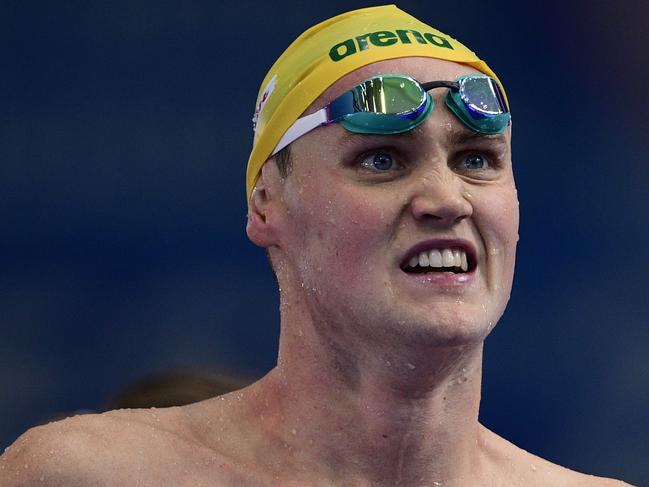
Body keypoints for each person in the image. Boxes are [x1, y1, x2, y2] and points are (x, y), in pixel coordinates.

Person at [0, 6, 634, 486]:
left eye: (476, 159)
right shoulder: (91, 477)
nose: (446, 198)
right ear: (267, 205)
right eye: (382, 159)